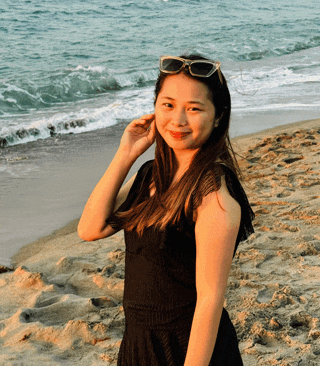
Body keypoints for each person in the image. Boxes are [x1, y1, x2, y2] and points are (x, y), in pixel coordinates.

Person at [77, 54, 255, 366]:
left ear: (218, 116)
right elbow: (91, 228)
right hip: (139, 342)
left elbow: (210, 301)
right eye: (168, 104)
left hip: (187, 349)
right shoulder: (150, 174)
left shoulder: (213, 195)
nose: (178, 120)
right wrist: (126, 153)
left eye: (194, 109)